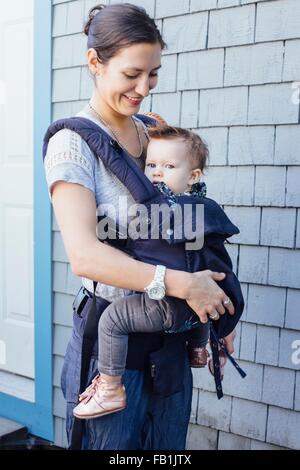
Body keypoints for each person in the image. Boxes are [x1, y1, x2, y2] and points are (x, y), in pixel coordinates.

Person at [43, 3, 236, 450]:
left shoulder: (155, 132)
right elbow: (85, 255)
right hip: (115, 352)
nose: (144, 88)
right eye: (132, 74)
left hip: (172, 342)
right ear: (95, 62)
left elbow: (188, 219)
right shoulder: (73, 144)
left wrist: (217, 304)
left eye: (153, 74)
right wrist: (185, 285)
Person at [72, 123, 241, 420]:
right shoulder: (202, 206)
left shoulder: (161, 206)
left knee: (113, 319)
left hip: (169, 301)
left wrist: (92, 137)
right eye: (150, 164)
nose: (156, 172)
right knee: (198, 283)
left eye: (168, 165)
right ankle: (198, 349)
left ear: (193, 175)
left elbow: (125, 172)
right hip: (195, 305)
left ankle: (110, 388)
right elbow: (212, 259)